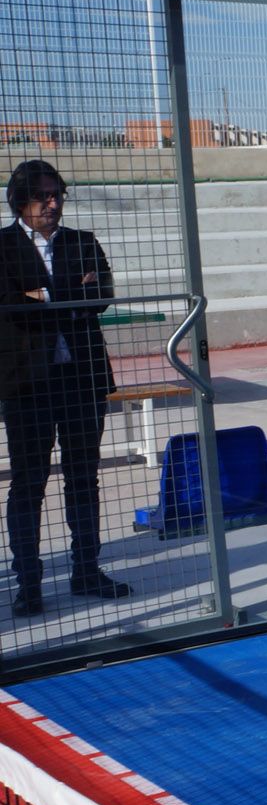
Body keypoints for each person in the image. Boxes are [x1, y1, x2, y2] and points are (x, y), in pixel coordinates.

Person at [1, 159, 130, 616]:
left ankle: (86, 569)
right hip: (27, 384)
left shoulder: (82, 241)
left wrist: (43, 296)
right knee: (29, 482)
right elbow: (9, 307)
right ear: (20, 200)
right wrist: (65, 294)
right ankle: (29, 582)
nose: (52, 204)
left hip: (81, 378)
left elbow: (103, 296)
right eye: (42, 195)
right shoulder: (2, 247)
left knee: (83, 477)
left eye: (57, 195)